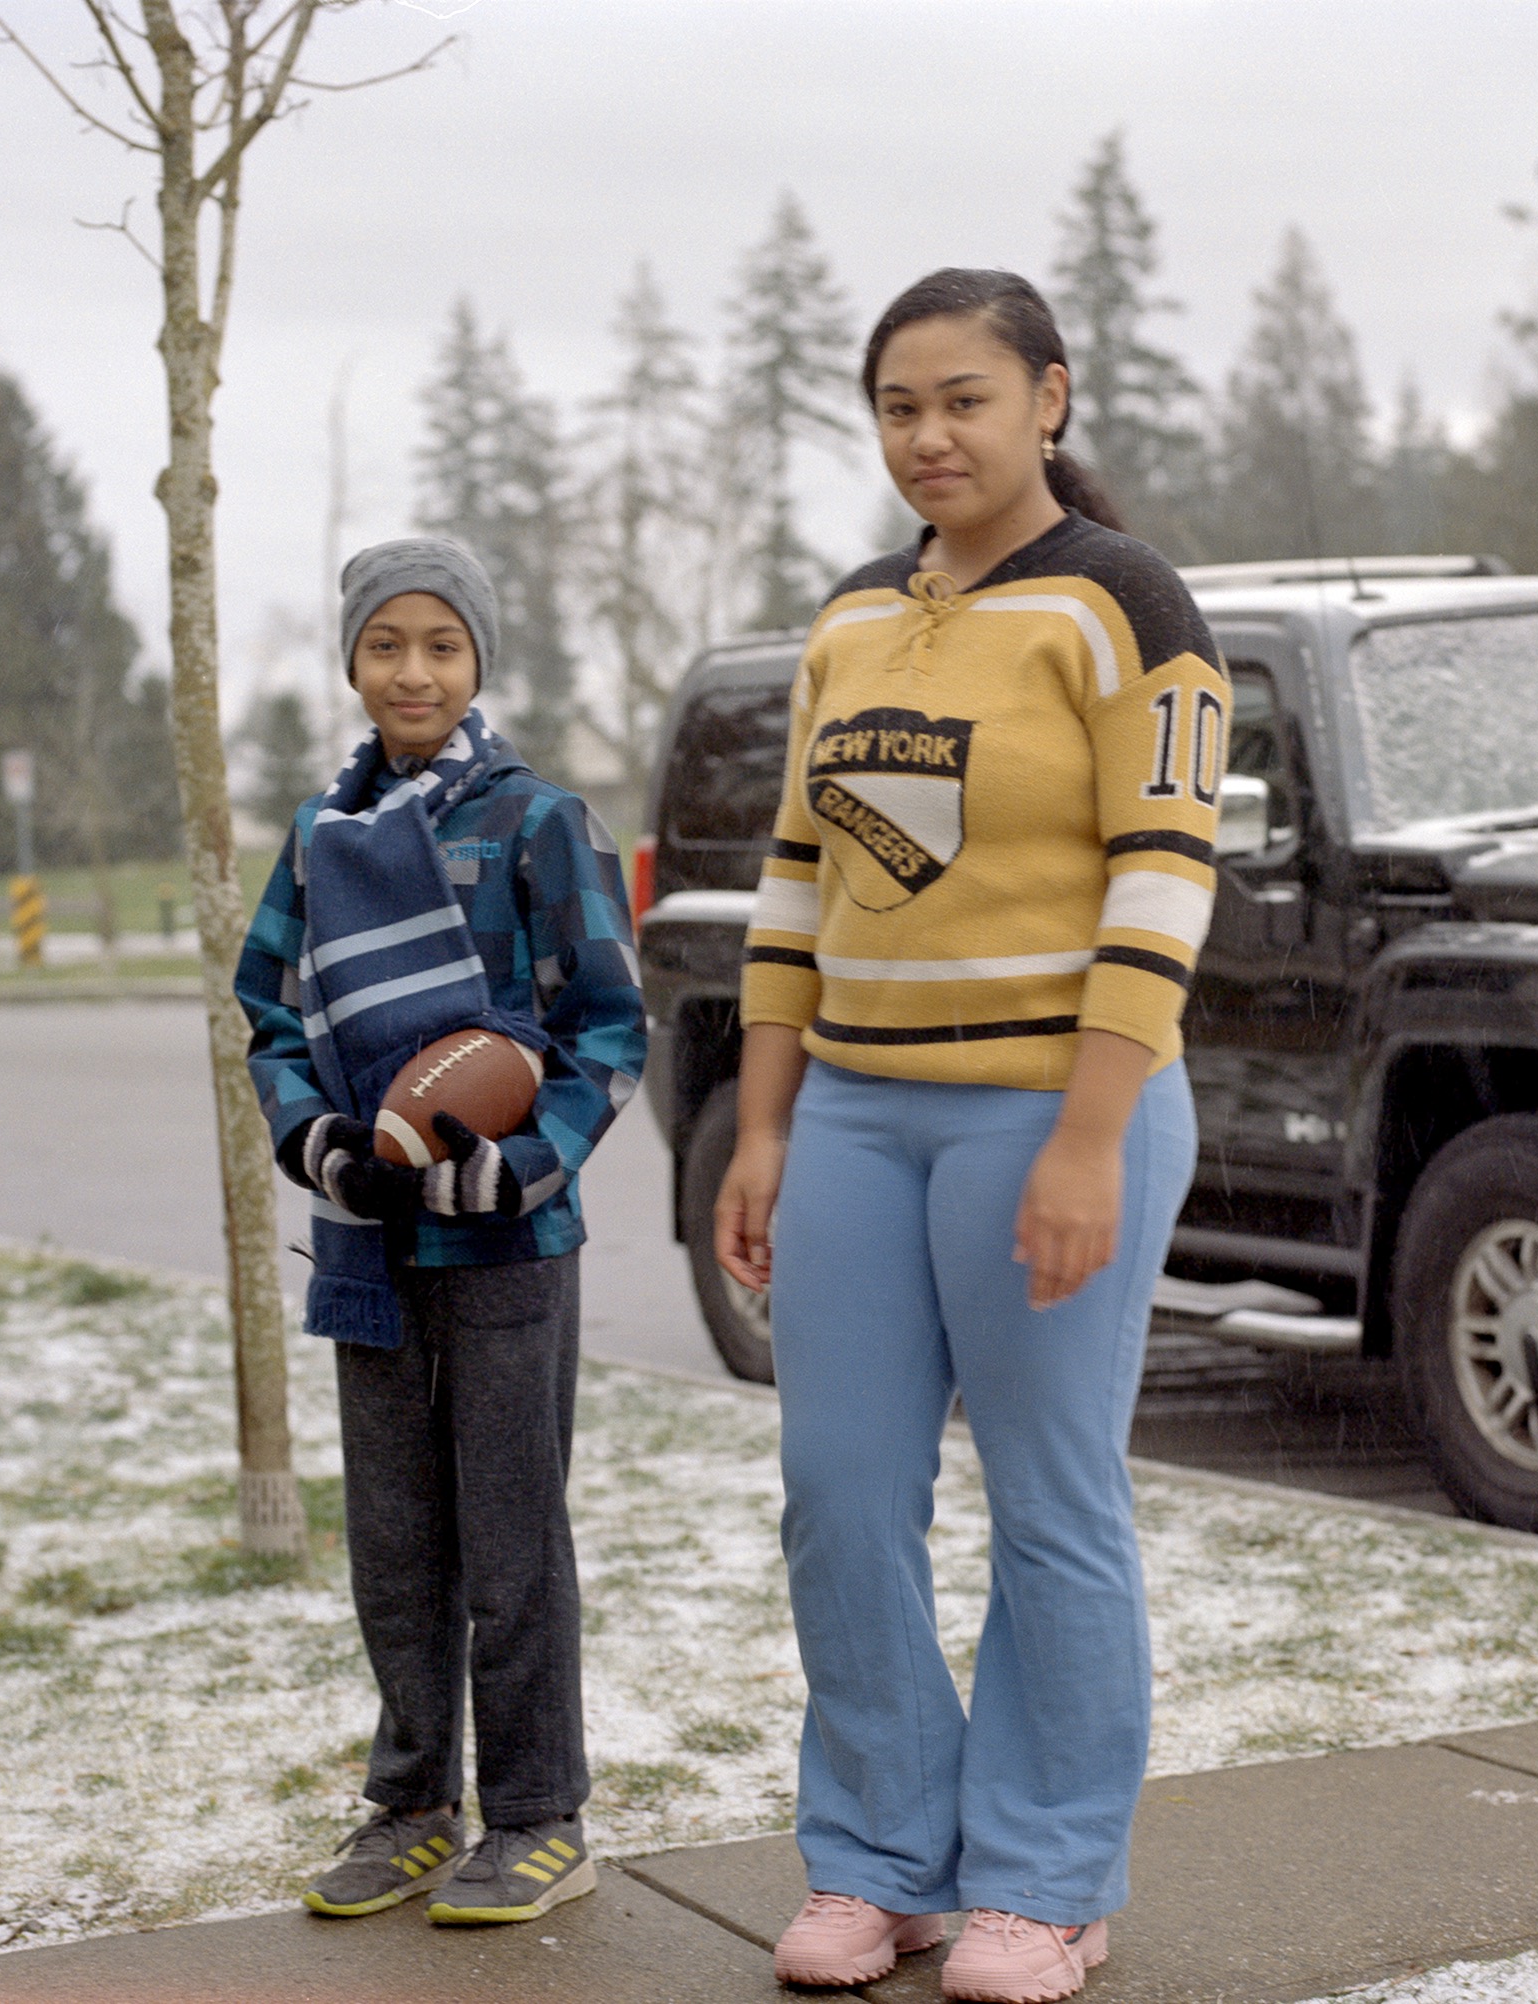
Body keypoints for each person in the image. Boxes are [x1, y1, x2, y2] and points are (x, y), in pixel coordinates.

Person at [715, 271, 1225, 2003]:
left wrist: (1091, 1137)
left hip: (1050, 1106)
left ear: (1049, 401)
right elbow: (798, 882)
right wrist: (763, 1129)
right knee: (838, 1496)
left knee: (1046, 1499)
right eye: (897, 406)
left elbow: (1164, 875)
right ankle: (879, 1863)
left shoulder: (1120, 602)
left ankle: (1044, 1879)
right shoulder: (852, 621)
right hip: (854, 1110)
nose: (928, 435)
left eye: (965, 399)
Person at [234, 536, 644, 1927]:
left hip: (507, 1249)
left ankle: (539, 1815)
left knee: (510, 1536)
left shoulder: (539, 822)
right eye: (386, 644)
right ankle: (412, 1803)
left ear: (479, 660)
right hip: (369, 1242)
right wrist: (314, 1141)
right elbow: (273, 1013)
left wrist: (524, 1160)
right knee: (397, 1540)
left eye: (442, 645)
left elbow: (606, 1026)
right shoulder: (321, 835)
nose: (413, 669)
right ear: (351, 661)